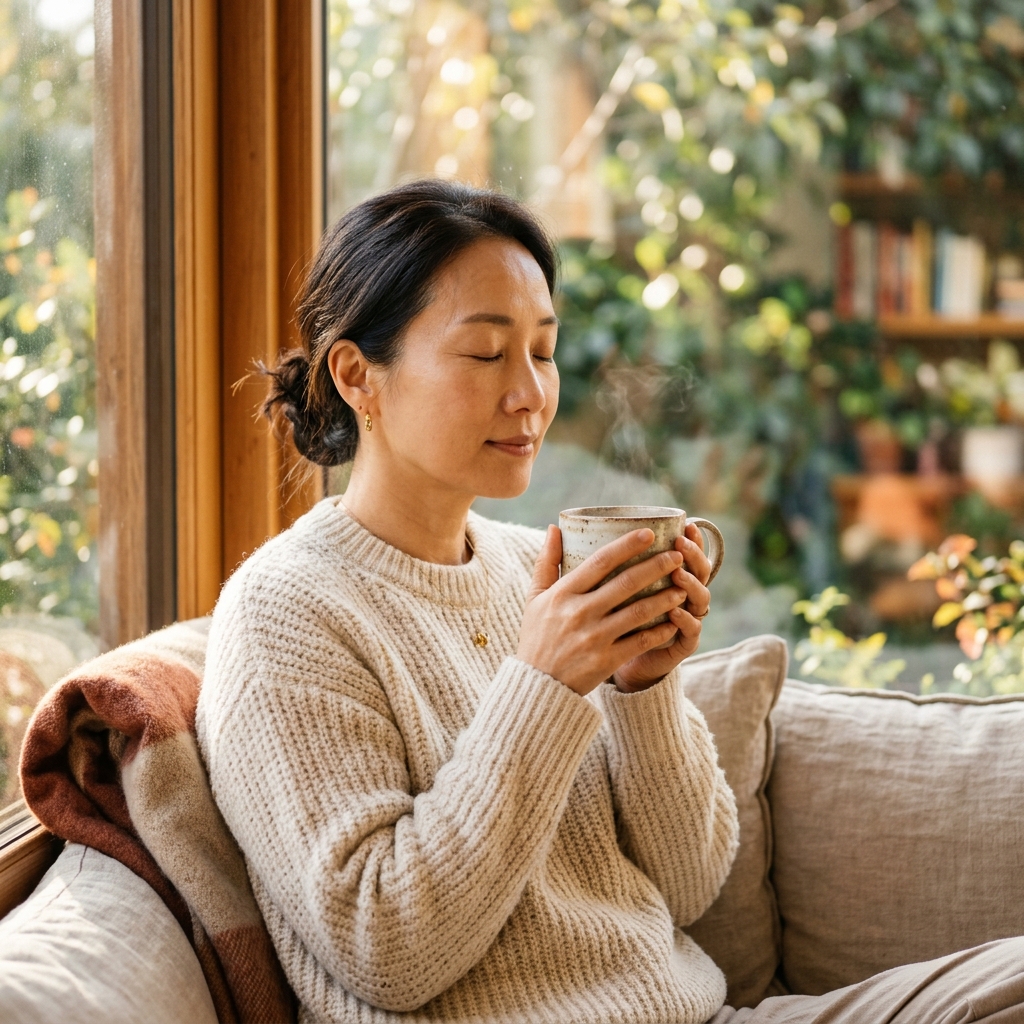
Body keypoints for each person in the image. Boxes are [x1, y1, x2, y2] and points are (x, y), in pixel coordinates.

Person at [197, 179, 1024, 1024]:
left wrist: (644, 690)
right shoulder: (286, 613)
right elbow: (387, 947)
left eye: (543, 351)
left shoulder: (537, 570)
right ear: (356, 376)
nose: (530, 393)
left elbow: (692, 882)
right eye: (486, 354)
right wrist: (544, 684)